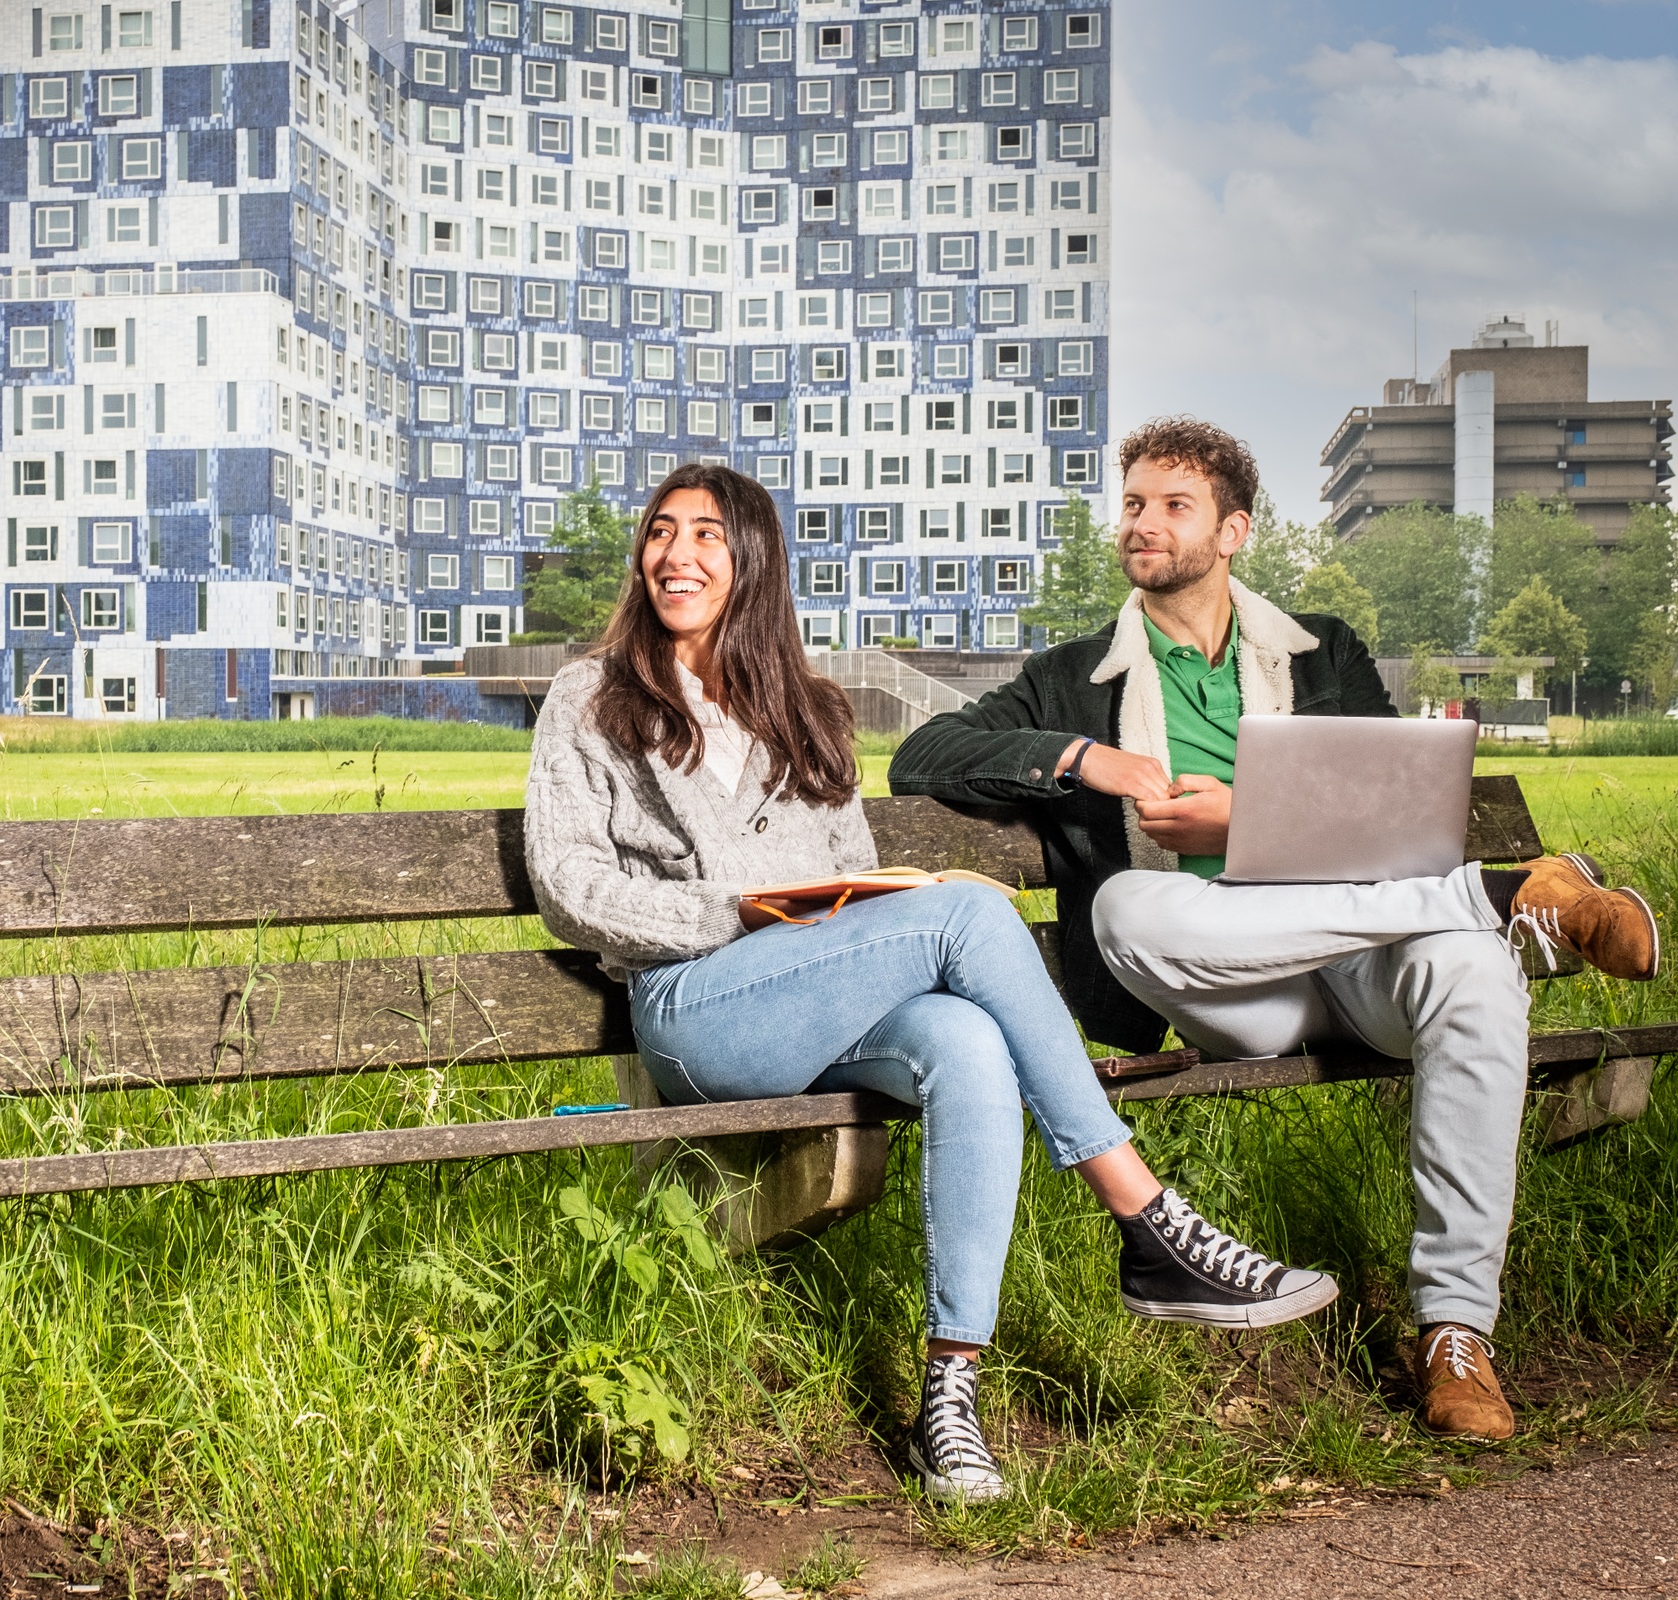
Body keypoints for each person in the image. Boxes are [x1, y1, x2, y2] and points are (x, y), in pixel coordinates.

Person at [525, 463, 1338, 1504]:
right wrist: (734, 910)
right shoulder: (590, 697)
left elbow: (849, 883)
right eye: (662, 532)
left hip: (819, 997)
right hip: (695, 1006)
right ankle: (1149, 1222)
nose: (677, 555)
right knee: (968, 910)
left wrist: (834, 914)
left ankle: (951, 1395)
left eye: (709, 538)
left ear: (753, 564)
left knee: (968, 1043)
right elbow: (568, 887)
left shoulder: (804, 709)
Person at [890, 417, 1660, 1443]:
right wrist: (1088, 759)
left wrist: (1239, 815)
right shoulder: (1074, 676)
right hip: (1229, 981)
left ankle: (1457, 1336)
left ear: (1234, 529)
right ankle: (1503, 893)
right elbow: (924, 756)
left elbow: (1397, 814)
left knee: (1472, 972)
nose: (1143, 524)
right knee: (1127, 905)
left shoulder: (1323, 651)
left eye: (1174, 505)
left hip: (1362, 960)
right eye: (1132, 503)